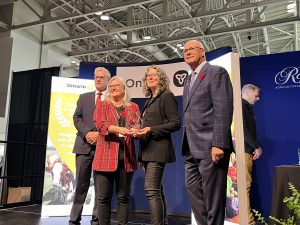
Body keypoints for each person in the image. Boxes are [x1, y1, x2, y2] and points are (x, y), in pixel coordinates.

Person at [181, 39, 234, 225]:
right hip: (190, 147)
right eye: (185, 50)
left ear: (203, 52)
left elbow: (223, 109)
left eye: (191, 49)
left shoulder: (216, 72)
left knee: (213, 200)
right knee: (194, 192)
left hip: (211, 146)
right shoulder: (188, 79)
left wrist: (218, 143)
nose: (187, 52)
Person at [93, 76, 140, 225]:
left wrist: (135, 131)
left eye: (116, 85)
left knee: (123, 197)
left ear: (124, 88)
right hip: (104, 157)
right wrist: (122, 130)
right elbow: (102, 125)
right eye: (110, 86)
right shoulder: (102, 105)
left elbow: (136, 124)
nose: (112, 88)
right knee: (103, 198)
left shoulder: (133, 107)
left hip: (126, 158)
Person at [138, 65, 180, 225]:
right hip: (148, 151)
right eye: (148, 75)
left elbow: (175, 123)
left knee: (151, 189)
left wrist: (150, 129)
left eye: (154, 75)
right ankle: (162, 222)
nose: (150, 77)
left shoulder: (166, 96)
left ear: (161, 78)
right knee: (156, 189)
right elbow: (145, 126)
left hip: (158, 149)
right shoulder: (149, 100)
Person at [69, 67, 110, 225]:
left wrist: (99, 136)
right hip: (83, 146)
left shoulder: (112, 99)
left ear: (108, 79)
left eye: (101, 77)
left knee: (101, 187)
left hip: (104, 147)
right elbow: (76, 117)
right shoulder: (84, 97)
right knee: (80, 184)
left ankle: (97, 219)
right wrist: (88, 133)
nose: (98, 80)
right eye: (96, 77)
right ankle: (74, 219)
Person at [241, 84, 262, 225]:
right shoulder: (242, 106)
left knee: (244, 186)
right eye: (256, 95)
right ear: (247, 93)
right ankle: (248, 221)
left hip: (245, 150)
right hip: (244, 151)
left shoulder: (245, 107)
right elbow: (243, 129)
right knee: (245, 186)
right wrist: (256, 147)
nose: (258, 98)